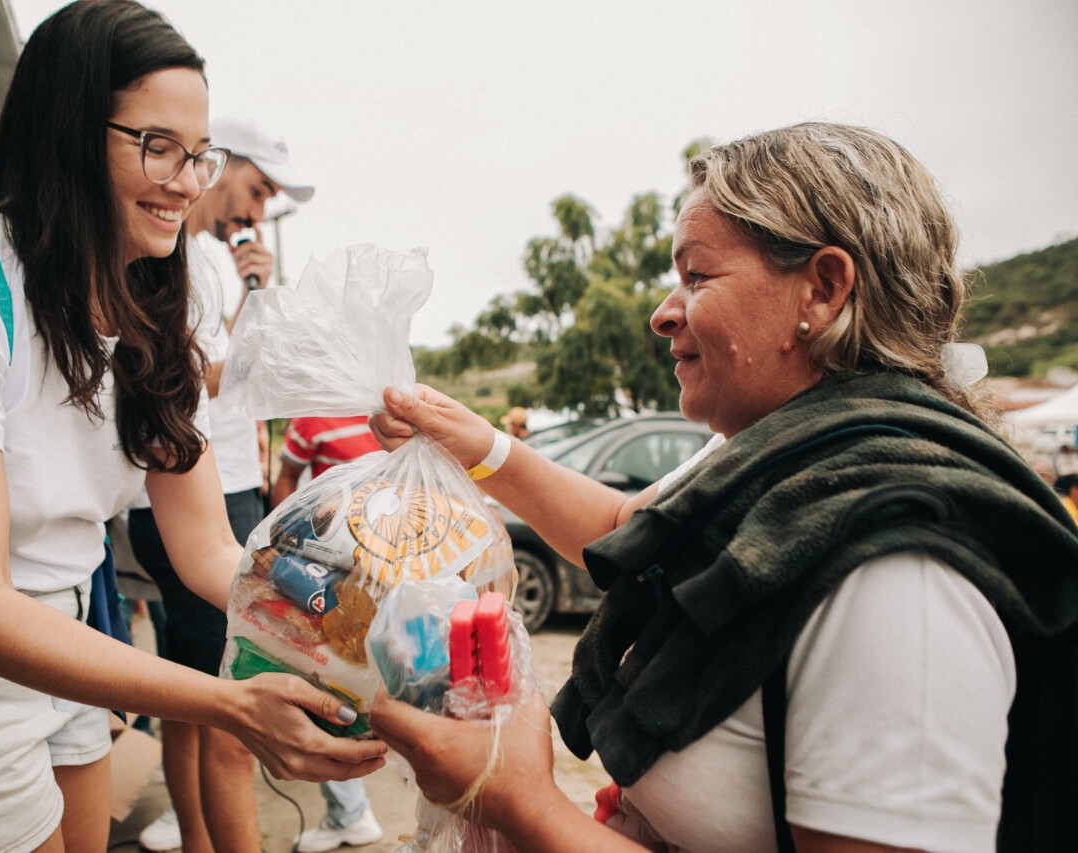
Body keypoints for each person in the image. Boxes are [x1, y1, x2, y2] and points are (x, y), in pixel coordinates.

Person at [368, 122, 1078, 852]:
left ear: (825, 289)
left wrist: (527, 805)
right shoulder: (776, 455)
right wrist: (481, 445)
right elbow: (622, 525)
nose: (663, 311)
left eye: (697, 276)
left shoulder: (899, 575)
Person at [0, 3, 385, 851]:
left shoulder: (151, 312)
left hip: (71, 644)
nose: (187, 181)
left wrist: (341, 613)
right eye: (157, 146)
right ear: (67, 131)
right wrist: (228, 702)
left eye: (199, 154)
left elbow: (207, 549)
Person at [130, 115, 315, 853]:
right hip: (205, 495)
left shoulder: (196, 256)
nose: (257, 211)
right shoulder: (190, 261)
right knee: (231, 715)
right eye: (257, 187)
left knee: (189, 704)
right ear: (221, 162)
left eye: (270, 198)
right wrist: (250, 296)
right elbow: (209, 378)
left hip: (211, 490)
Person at [272, 415, 387, 853]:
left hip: (386, 568)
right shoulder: (310, 421)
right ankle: (349, 810)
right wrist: (282, 542)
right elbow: (286, 479)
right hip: (330, 568)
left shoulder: (396, 415)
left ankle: (351, 812)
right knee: (331, 680)